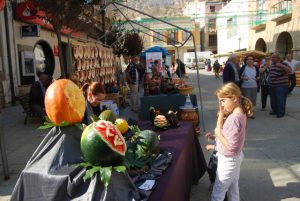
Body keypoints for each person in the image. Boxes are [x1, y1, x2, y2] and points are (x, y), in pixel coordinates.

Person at [206, 82, 253, 201]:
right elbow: (228, 135)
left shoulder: (234, 119)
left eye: (223, 100)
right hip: (234, 158)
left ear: (234, 98)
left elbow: (231, 146)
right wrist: (221, 114)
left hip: (229, 160)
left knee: (218, 193)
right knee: (233, 189)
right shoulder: (239, 113)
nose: (220, 104)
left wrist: (217, 133)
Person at [268, 53, 292, 118]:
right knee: (273, 99)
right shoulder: (272, 65)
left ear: (278, 58)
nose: (271, 59)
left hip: (281, 85)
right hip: (272, 85)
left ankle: (280, 112)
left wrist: (282, 66)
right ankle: (274, 110)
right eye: (271, 57)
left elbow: (290, 71)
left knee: (280, 99)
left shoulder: (284, 64)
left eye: (273, 57)